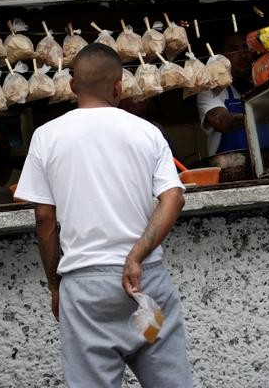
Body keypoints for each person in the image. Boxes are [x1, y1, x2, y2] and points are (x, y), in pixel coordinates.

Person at [14, 44, 193, 388]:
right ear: (119, 86)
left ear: (71, 87)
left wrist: (55, 287)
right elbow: (174, 198)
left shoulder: (46, 137)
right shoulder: (146, 132)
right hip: (145, 286)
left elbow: (45, 220)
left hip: (85, 294)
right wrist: (137, 255)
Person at [196, 32, 254, 168]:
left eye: (246, 47)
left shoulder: (266, 84)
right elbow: (221, 121)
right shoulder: (210, 92)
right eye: (234, 49)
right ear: (221, 57)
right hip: (231, 170)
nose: (243, 55)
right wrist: (258, 115)